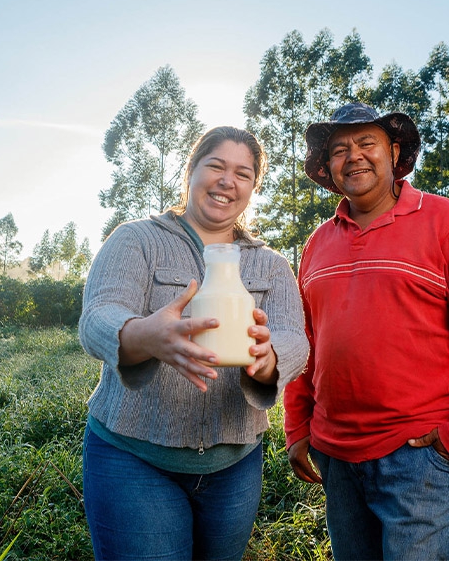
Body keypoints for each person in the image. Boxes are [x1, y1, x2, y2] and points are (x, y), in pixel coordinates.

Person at [284, 103, 449, 561]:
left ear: (394, 152)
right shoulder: (317, 242)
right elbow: (303, 342)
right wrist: (298, 425)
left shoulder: (446, 222)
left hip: (419, 460)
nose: (354, 157)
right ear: (327, 167)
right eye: (338, 150)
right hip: (337, 458)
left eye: (366, 143)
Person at [78, 126, 309, 561]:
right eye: (216, 166)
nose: (227, 181)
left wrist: (269, 357)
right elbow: (98, 316)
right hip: (133, 460)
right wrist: (143, 334)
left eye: (243, 173)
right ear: (191, 171)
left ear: (253, 188)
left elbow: (295, 336)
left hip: (235, 467)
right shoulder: (136, 240)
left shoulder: (270, 263)